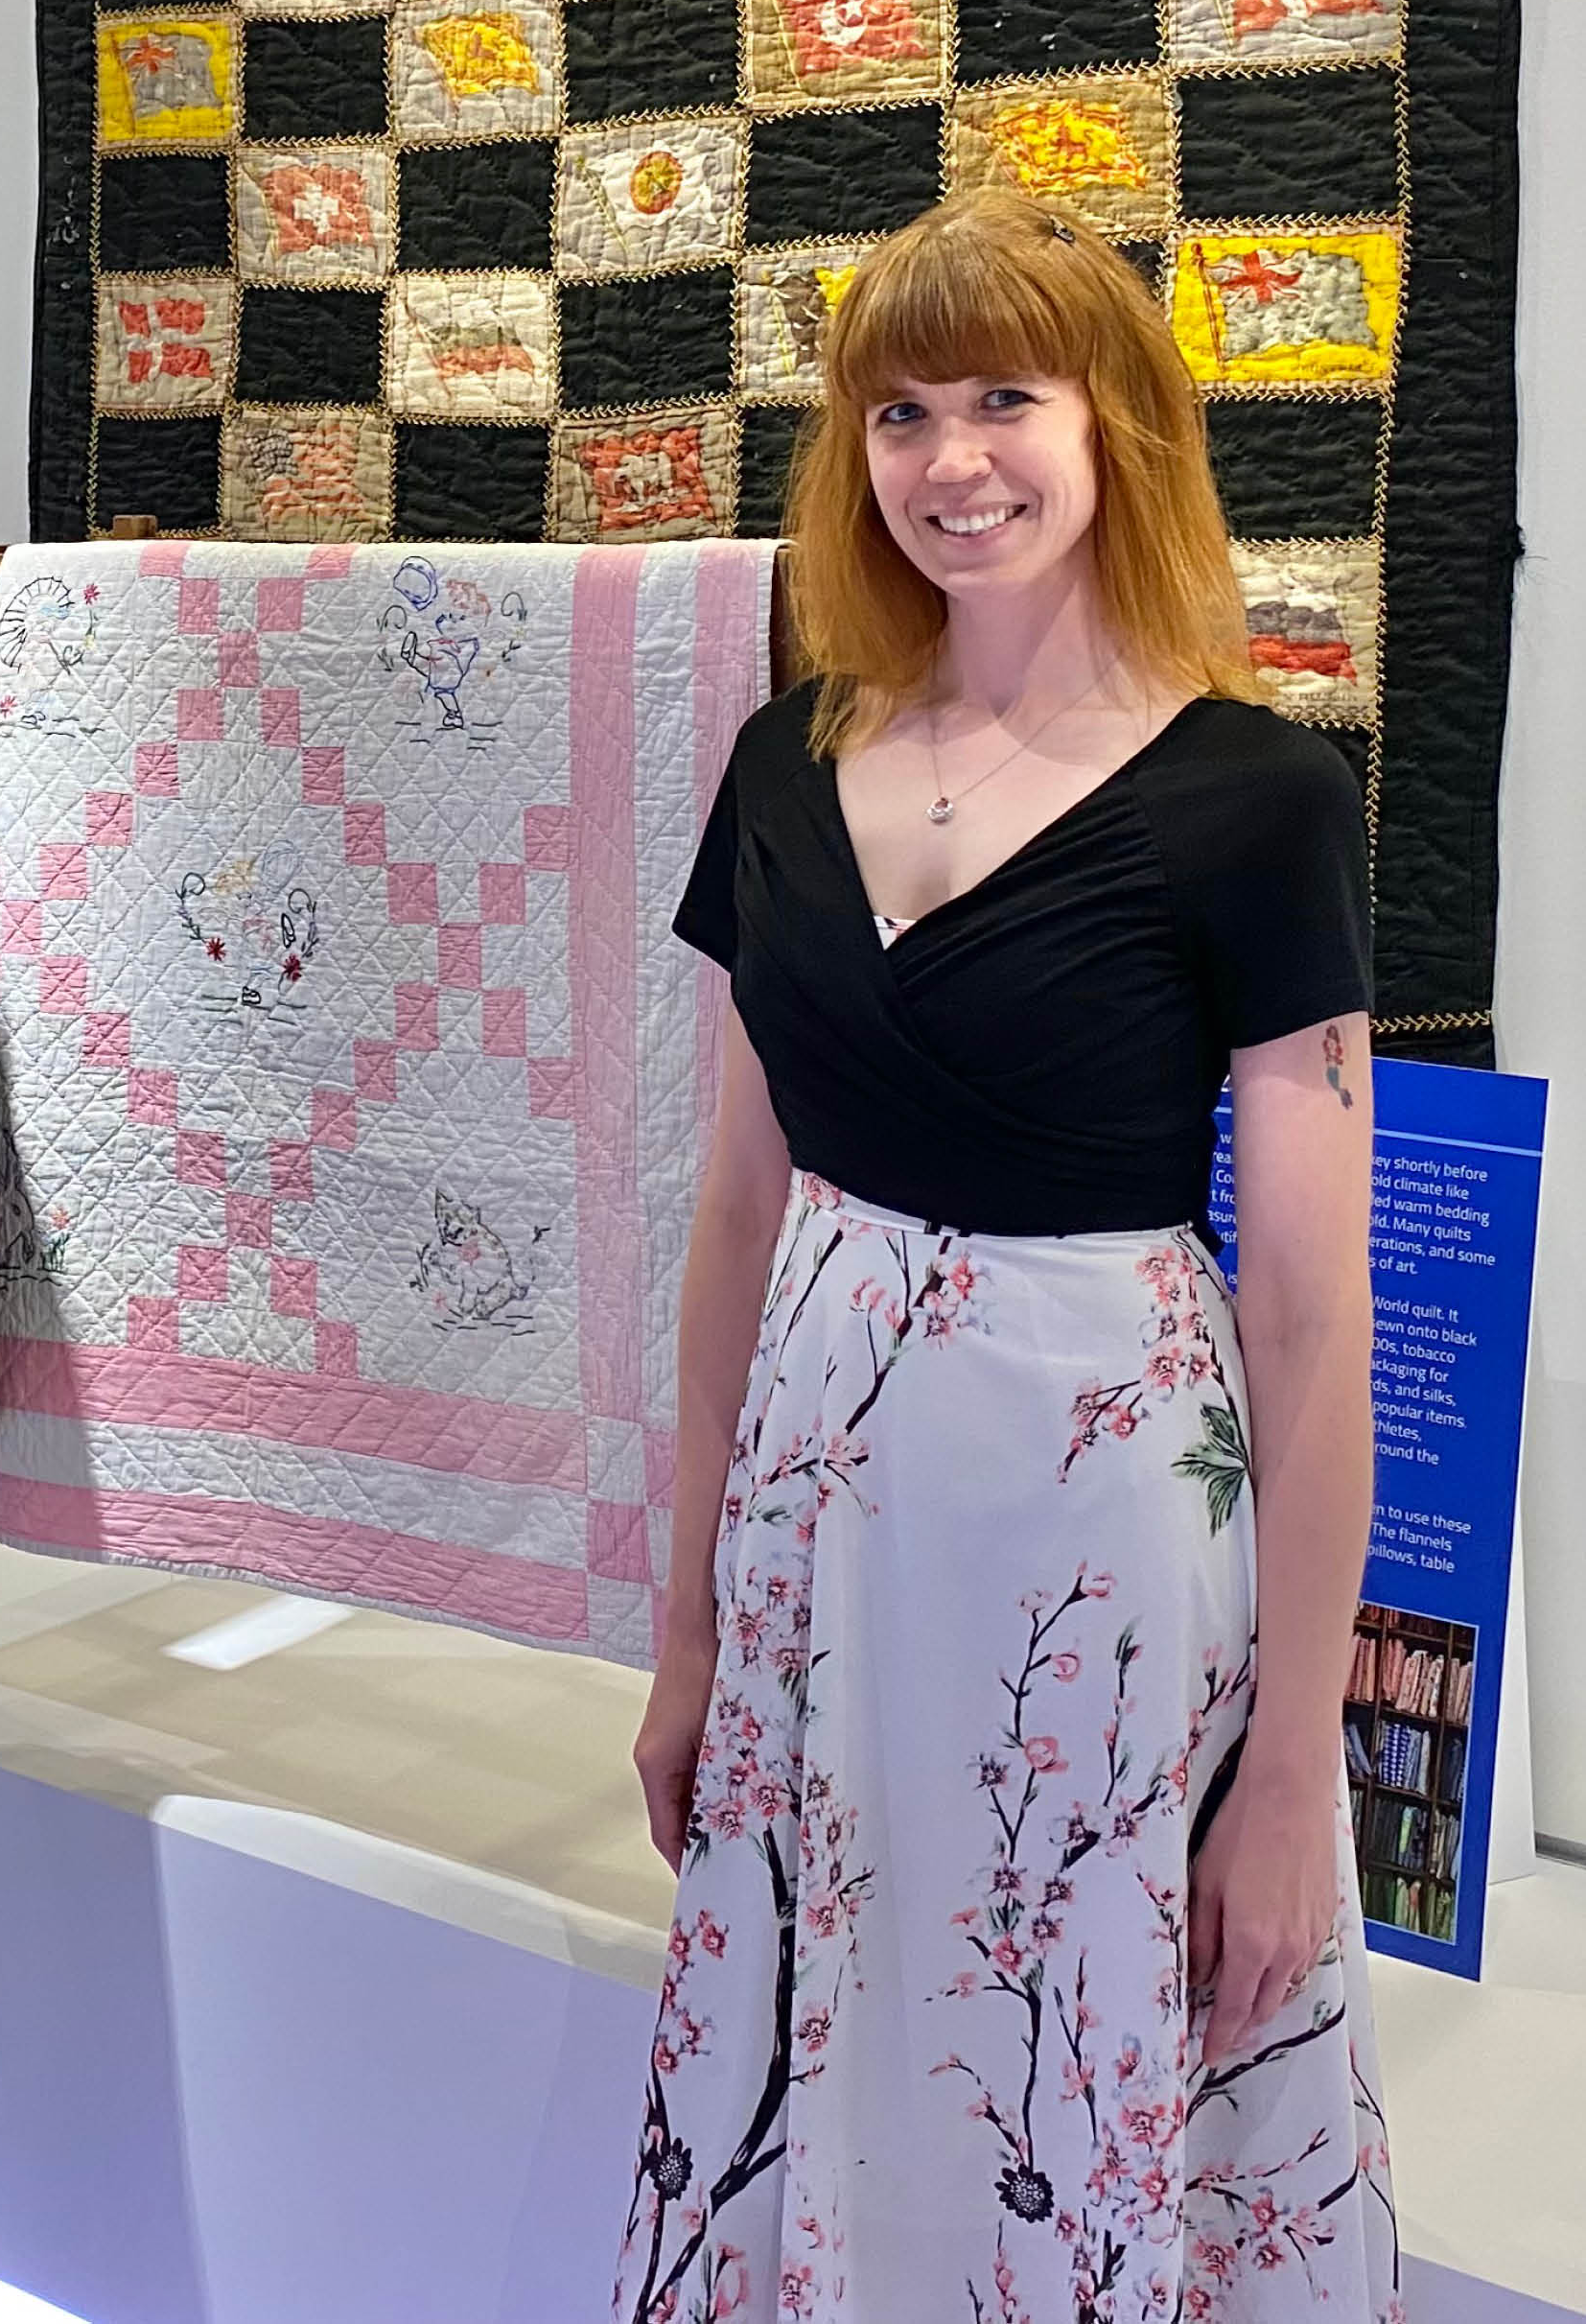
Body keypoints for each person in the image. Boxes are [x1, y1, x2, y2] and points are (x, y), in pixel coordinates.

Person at [616, 193, 1398, 2323]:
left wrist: (1290, 1773)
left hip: (1100, 1525)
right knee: (842, 2020)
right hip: (812, 1509)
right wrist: (679, 1631)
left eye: (1000, 400)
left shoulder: (1254, 797)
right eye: (898, 410)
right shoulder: (784, 762)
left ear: (1114, 425)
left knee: (1066, 2044)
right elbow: (726, 1213)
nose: (948, 457)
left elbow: (1312, 1322)